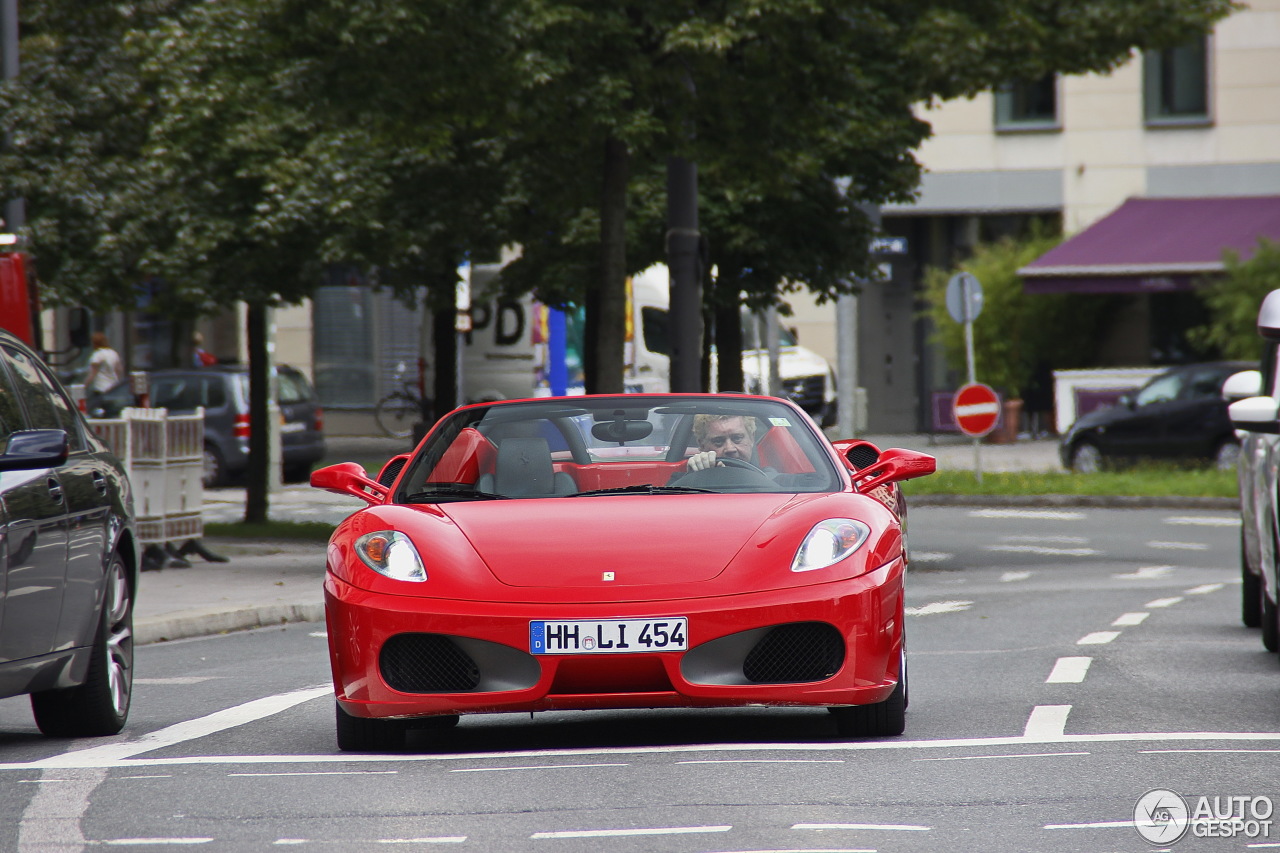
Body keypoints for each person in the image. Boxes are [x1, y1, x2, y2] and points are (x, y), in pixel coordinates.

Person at [686, 413, 758, 471]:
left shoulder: (768, 481)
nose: (730, 449)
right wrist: (694, 477)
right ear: (702, 445)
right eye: (718, 441)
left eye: (737, 438)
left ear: (752, 438)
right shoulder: (681, 483)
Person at [85, 332, 123, 407]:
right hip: (113, 388)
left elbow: (93, 373)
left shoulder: (98, 355)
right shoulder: (113, 353)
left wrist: (85, 385)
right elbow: (119, 369)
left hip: (100, 388)